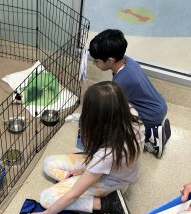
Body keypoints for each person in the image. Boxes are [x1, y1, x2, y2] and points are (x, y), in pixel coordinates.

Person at [32, 81, 145, 214]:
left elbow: (73, 195)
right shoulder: (132, 113)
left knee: (46, 198)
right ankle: (78, 182)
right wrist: (84, 171)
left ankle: (106, 204)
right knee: (48, 163)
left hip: (113, 183)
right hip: (114, 168)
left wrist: (47, 213)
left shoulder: (106, 153)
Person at [88, 29, 171, 158]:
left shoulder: (121, 82)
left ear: (110, 60)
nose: (95, 63)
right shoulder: (127, 61)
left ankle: (153, 137)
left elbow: (114, 111)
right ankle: (154, 129)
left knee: (117, 129)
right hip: (158, 105)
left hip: (151, 114)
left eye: (97, 61)